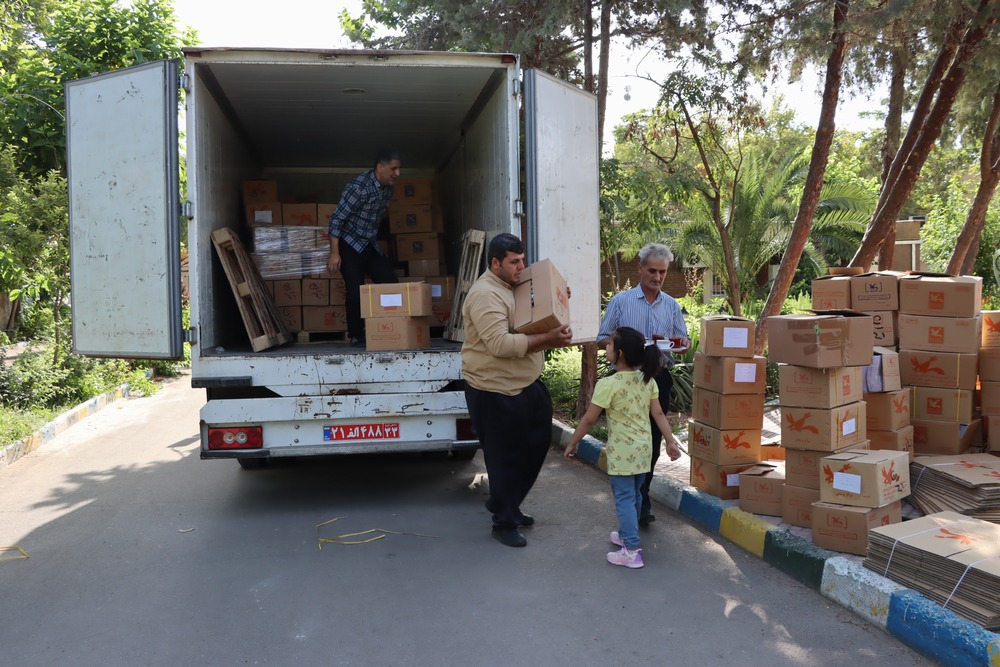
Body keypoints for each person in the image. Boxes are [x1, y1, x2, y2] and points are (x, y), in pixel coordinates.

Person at [462, 232, 573, 548]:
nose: (521, 267)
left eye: (523, 260)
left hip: (525, 384)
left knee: (535, 446)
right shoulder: (486, 295)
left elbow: (533, 315)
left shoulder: (515, 285)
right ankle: (504, 522)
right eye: (514, 262)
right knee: (504, 458)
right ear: (495, 263)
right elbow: (500, 344)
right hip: (495, 390)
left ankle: (503, 501)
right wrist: (548, 339)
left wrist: (557, 299)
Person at [564, 327, 682, 568]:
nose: (606, 347)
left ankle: (631, 550)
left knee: (625, 498)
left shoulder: (609, 384)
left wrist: (573, 442)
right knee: (635, 494)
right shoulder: (647, 380)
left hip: (623, 453)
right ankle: (627, 533)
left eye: (609, 345)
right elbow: (659, 414)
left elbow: (589, 419)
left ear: (620, 353)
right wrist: (670, 441)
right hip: (644, 450)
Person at [596, 243, 690, 526]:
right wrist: (627, 346)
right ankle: (632, 500)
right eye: (652, 271)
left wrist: (679, 343)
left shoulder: (672, 305)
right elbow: (601, 338)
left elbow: (683, 341)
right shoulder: (621, 302)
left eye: (662, 272)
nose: (657, 277)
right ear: (640, 268)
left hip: (658, 378)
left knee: (652, 442)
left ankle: (642, 500)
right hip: (626, 381)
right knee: (627, 442)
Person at [327, 149, 401, 346]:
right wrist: (334, 253)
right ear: (380, 167)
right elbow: (336, 219)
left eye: (399, 169)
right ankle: (356, 335)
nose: (398, 173)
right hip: (350, 244)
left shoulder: (388, 189)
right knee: (355, 292)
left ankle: (394, 329)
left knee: (391, 284)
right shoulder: (358, 187)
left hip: (370, 243)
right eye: (394, 169)